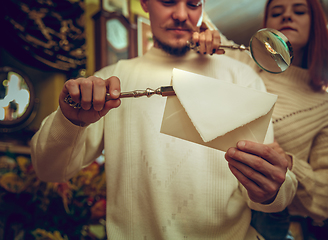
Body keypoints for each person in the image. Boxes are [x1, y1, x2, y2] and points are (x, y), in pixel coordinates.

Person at [30, 0, 299, 239]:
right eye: (168, 1)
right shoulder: (112, 81)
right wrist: (69, 120)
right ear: (145, 3)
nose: (182, 14)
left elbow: (271, 192)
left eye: (193, 3)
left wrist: (273, 190)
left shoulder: (241, 77)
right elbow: (49, 170)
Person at [195, 0, 328, 239]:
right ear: (265, 28)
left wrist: (287, 163)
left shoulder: (327, 107)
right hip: (209, 209)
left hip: (267, 226)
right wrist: (205, 36)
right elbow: (194, 14)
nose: (287, 17)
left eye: (299, 11)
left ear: (316, 24)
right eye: (277, 12)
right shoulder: (245, 63)